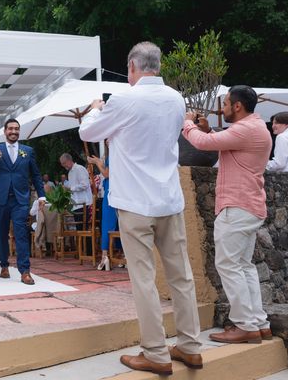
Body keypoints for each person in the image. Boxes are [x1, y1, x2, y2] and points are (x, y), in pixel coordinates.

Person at [79, 41, 203, 375]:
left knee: (144, 279)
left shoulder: (123, 99)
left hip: (135, 202)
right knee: (181, 276)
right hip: (169, 199)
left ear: (133, 66)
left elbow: (87, 130)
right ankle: (191, 347)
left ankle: (156, 353)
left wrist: (94, 107)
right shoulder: (177, 99)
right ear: (157, 65)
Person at [183, 85, 273, 344]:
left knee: (229, 266)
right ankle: (258, 323)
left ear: (237, 106)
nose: (221, 110)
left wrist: (188, 125)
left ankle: (245, 325)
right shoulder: (255, 128)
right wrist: (209, 129)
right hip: (248, 206)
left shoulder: (246, 129)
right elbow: (223, 141)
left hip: (237, 207)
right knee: (244, 266)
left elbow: (203, 144)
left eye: (225, 104)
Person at [0, 119, 46, 285]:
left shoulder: (27, 151)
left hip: (20, 199)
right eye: (11, 129)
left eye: (16, 129)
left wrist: (41, 195)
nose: (14, 131)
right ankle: (4, 265)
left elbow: (35, 175)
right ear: (5, 131)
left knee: (21, 233)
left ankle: (25, 271)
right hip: (1, 199)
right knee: (1, 234)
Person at [87, 144, 118, 271]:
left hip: (112, 192)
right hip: (118, 190)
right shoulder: (118, 153)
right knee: (118, 224)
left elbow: (107, 173)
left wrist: (97, 162)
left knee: (108, 223)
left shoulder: (115, 154)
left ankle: (105, 255)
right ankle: (121, 254)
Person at [59, 153, 93, 226]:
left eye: (64, 163)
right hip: (76, 205)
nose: (63, 166)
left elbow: (85, 184)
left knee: (84, 229)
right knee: (79, 229)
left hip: (84, 204)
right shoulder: (70, 173)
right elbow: (72, 187)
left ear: (69, 160)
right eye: (62, 164)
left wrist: (70, 188)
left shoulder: (79, 169)